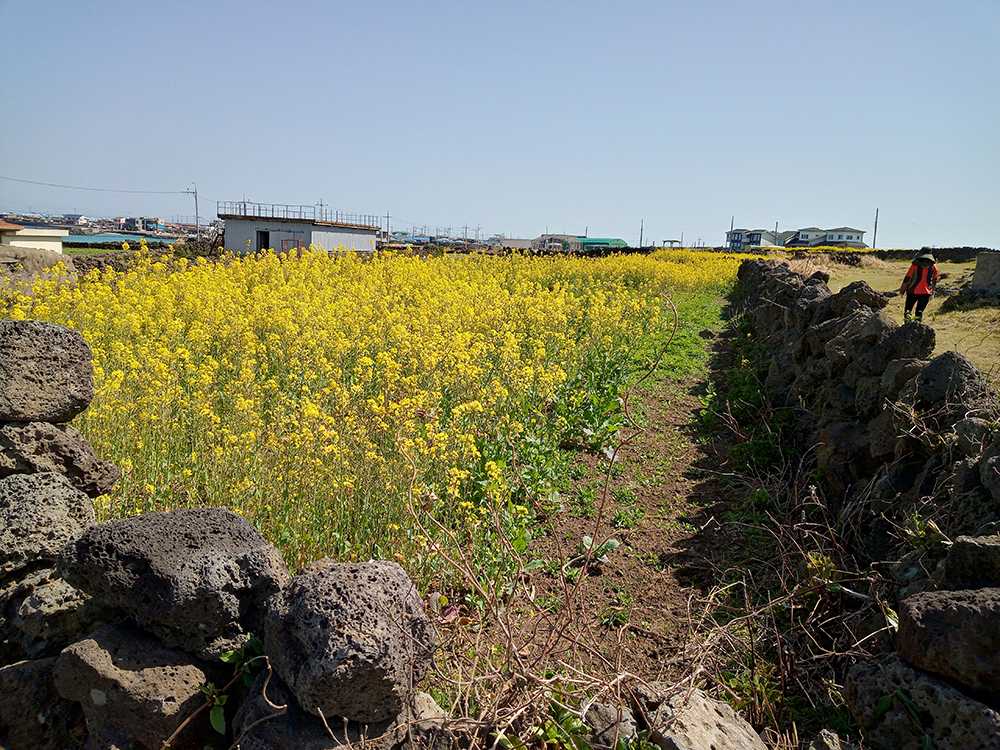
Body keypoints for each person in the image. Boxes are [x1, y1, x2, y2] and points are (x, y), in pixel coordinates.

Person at [899, 251, 938, 322]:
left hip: (912, 292)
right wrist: (932, 292)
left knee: (908, 310)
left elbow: (907, 278)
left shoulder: (915, 265)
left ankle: (907, 327)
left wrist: (902, 290)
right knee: (919, 312)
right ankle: (918, 328)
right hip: (926, 293)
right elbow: (934, 280)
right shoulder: (933, 266)